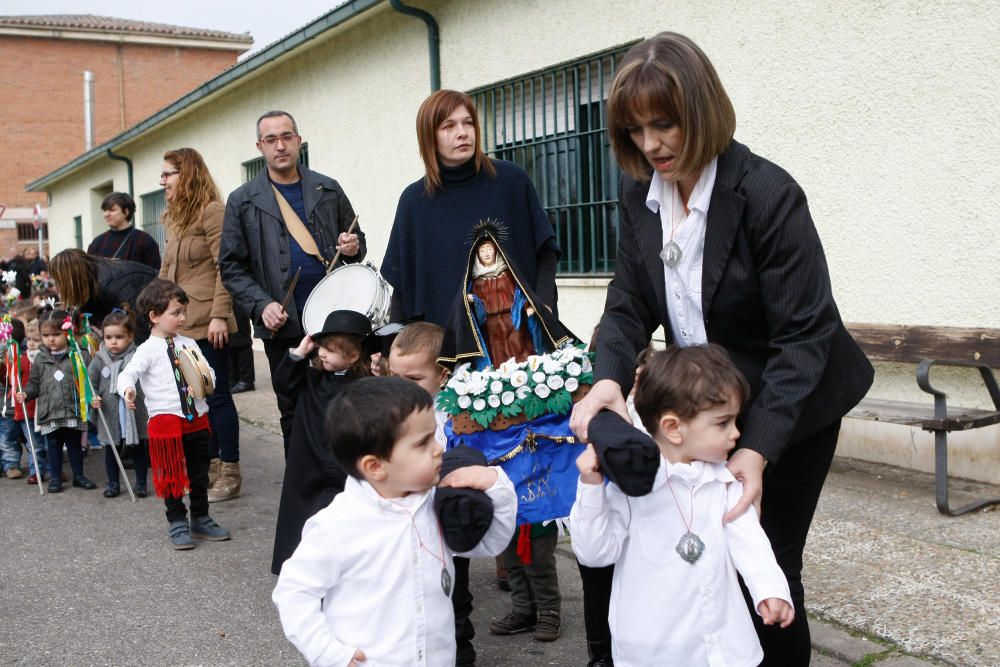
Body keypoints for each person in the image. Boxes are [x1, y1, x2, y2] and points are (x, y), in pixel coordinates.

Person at [568, 32, 875, 666]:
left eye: (664, 124)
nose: (650, 145)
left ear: (702, 110)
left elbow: (803, 338)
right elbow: (627, 304)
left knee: (764, 564)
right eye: (634, 131)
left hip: (793, 400)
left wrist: (757, 447)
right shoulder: (640, 197)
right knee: (693, 563)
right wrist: (607, 378)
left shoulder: (767, 195)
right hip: (706, 408)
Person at [381, 89, 562, 666]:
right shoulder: (415, 203)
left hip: (515, 356)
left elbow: (542, 258)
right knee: (468, 473)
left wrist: (541, 335)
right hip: (453, 367)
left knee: (528, 466)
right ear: (428, 137)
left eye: (468, 123)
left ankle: (547, 603)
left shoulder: (509, 182)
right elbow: (403, 293)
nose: (462, 133)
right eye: (448, 126)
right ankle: (512, 592)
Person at [572, 345, 794, 665]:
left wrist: (771, 589)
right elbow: (595, 553)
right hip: (655, 650)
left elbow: (750, 542)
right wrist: (592, 487)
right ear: (674, 428)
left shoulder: (727, 482)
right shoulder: (632, 486)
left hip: (725, 646)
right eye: (723, 423)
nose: (737, 433)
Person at [272, 377, 517, 667]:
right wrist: (330, 653)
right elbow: (294, 592)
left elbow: (489, 543)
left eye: (435, 436)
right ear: (375, 466)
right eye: (423, 443)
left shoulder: (438, 504)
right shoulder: (337, 526)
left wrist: (496, 486)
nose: (439, 448)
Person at [220, 110, 366, 455]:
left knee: (349, 405)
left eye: (287, 136)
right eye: (271, 139)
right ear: (260, 146)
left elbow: (355, 246)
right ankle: (303, 493)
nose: (280, 145)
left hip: (336, 320)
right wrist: (261, 305)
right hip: (284, 325)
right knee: (294, 410)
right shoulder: (243, 200)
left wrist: (352, 246)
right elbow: (231, 267)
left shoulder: (328, 188)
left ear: (298, 140)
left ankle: (351, 488)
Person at [117, 279, 230, 550]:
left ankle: (201, 518)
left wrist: (205, 381)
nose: (182, 318)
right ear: (154, 317)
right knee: (171, 476)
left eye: (183, 312)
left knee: (199, 474)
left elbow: (208, 372)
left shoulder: (189, 343)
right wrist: (128, 391)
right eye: (175, 313)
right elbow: (127, 374)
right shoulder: (146, 350)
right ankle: (177, 520)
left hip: (197, 420)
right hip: (166, 423)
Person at [159, 147, 241, 502]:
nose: (162, 181)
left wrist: (220, 314)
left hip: (209, 322)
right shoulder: (175, 218)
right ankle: (207, 464)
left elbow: (228, 266)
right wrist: (156, 313)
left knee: (217, 395)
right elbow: (166, 273)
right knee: (194, 398)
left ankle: (230, 470)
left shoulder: (213, 212)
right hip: (180, 324)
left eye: (168, 174)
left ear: (187, 174)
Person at [270, 310, 372, 575]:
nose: (323, 354)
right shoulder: (311, 379)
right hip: (309, 461)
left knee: (345, 521)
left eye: (331, 350)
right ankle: (303, 566)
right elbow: (284, 385)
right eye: (322, 348)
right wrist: (298, 354)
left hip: (344, 465)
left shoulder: (364, 386)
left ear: (353, 356)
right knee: (305, 518)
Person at [16, 309, 96, 493]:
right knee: (53, 446)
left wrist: (93, 395)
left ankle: (79, 476)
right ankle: (55, 477)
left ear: (67, 333)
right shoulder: (40, 359)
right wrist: (26, 394)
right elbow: (34, 384)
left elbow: (88, 380)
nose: (51, 339)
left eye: (56, 334)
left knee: (75, 445)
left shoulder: (77, 355)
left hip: (72, 409)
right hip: (50, 411)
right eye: (46, 335)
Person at [88, 309, 149, 498]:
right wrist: (93, 397)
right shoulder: (99, 360)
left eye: (119, 337)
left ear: (130, 337)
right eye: (108, 337)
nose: (113, 342)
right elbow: (91, 383)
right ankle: (113, 483)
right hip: (110, 411)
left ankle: (140, 483)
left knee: (138, 447)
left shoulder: (137, 358)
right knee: (111, 449)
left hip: (132, 410)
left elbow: (147, 381)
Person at [49, 249, 157, 342]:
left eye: (58, 280)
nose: (57, 286)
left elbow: (139, 326)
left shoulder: (110, 284)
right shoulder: (92, 276)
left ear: (69, 279)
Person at [88, 192, 162, 269]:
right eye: (105, 210)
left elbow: (155, 274)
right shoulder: (97, 243)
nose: (106, 214)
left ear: (126, 212)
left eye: (112, 210)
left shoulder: (145, 241)